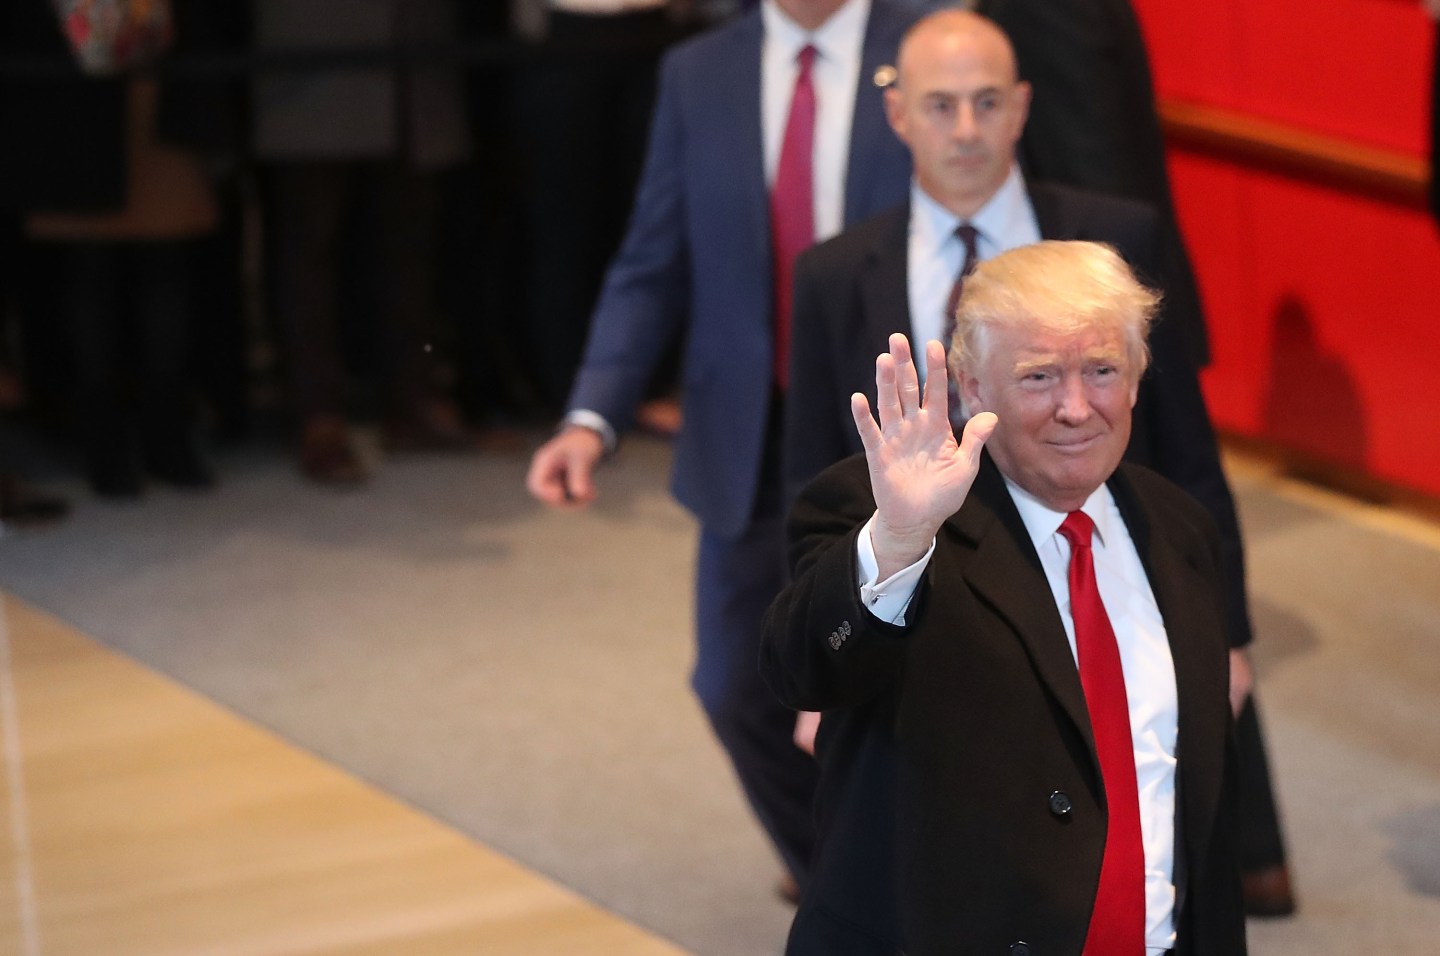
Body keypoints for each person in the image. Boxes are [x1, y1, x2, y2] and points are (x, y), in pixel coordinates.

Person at [526, 0, 918, 898]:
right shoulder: (699, 70)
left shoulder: (931, 47)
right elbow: (651, 260)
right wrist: (592, 415)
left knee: (904, 691)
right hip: (751, 427)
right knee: (735, 688)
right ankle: (849, 879)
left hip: (900, 430)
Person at [762, 241, 1248, 954]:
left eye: (1103, 371)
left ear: (1139, 379)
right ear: (972, 387)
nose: (1076, 408)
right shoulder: (892, 517)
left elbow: (1191, 799)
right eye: (1039, 377)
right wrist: (898, 540)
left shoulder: (1180, 531)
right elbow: (801, 668)